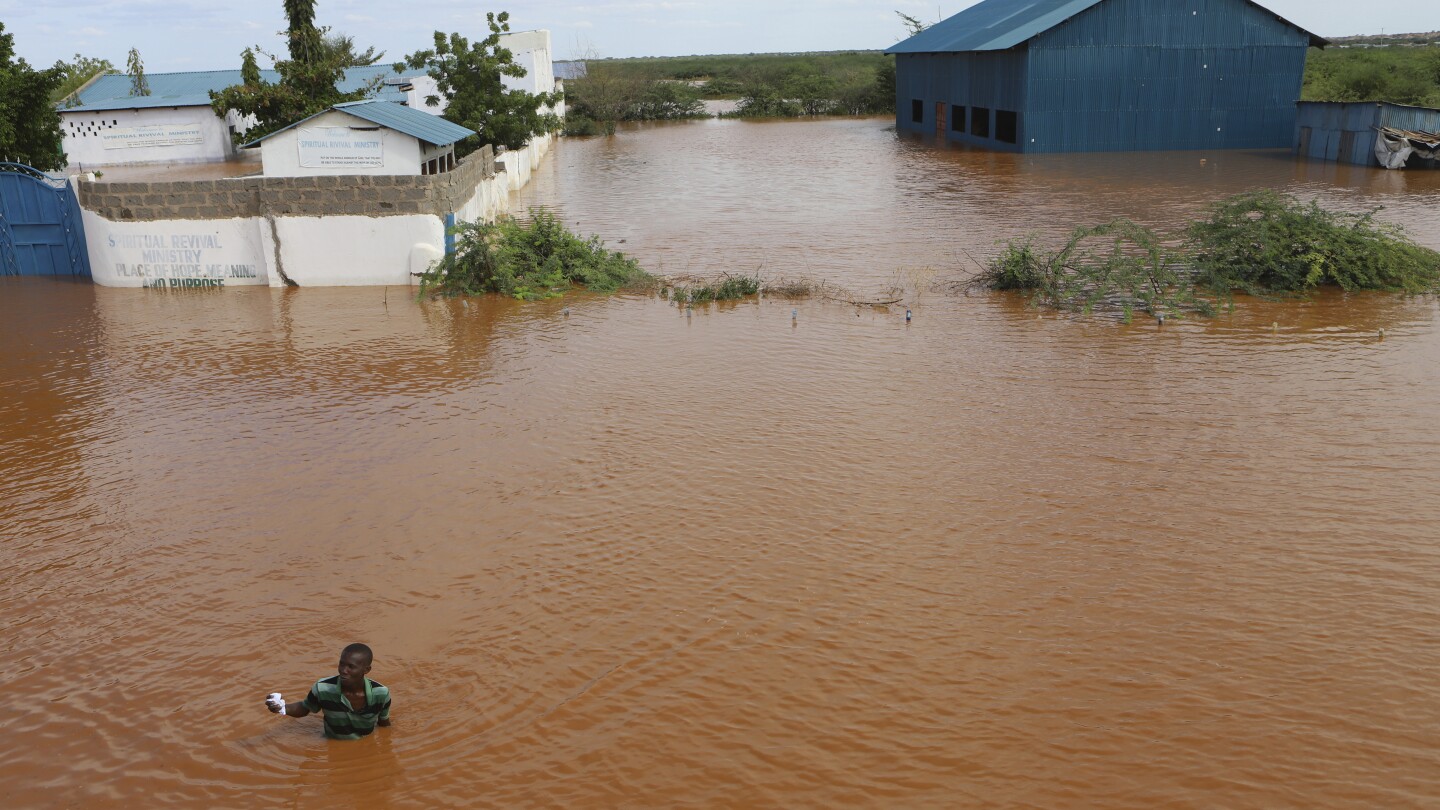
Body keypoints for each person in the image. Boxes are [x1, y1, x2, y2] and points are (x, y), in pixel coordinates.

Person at [266, 642, 392, 739]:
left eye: (351, 667)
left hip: (365, 748)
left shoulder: (381, 693)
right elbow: (305, 708)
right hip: (333, 743)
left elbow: (384, 723)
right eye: (342, 664)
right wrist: (282, 708)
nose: (343, 670)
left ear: (366, 670)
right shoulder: (322, 688)